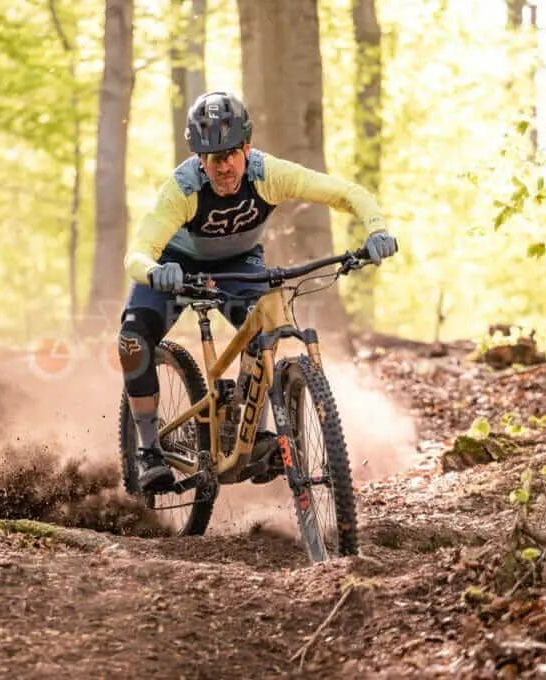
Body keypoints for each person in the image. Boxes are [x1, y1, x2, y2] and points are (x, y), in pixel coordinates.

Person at [118, 90, 397, 493]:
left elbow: (347, 193)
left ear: (247, 147)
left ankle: (249, 432)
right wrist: (156, 271)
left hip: (238, 264)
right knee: (132, 340)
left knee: (263, 329)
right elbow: (137, 254)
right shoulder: (182, 188)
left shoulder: (269, 174)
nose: (225, 166)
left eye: (232, 153)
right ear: (200, 159)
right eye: (214, 158)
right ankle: (147, 450)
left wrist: (376, 229)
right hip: (177, 267)